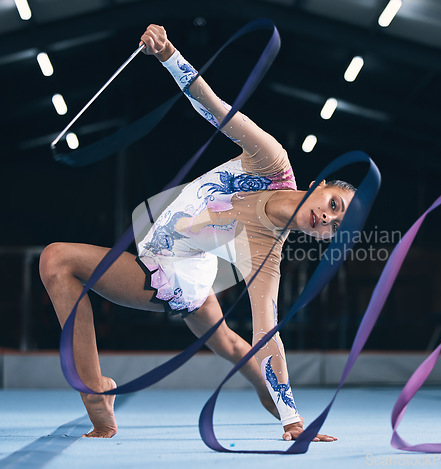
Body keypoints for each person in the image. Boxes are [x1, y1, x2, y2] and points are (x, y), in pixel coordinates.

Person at [39, 24, 355, 442]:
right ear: (319, 185)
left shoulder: (267, 251)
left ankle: (97, 396)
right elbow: (213, 106)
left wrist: (294, 423)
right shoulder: (271, 161)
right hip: (189, 259)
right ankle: (272, 398)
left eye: (335, 227)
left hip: (172, 271)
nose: (326, 219)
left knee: (57, 260)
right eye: (333, 205)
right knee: (228, 342)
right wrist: (169, 53)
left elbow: (268, 332)